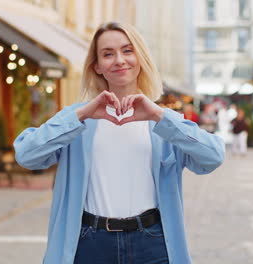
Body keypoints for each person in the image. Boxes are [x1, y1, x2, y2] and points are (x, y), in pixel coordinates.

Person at [13, 22, 225, 264]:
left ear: (140, 58)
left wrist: (159, 116)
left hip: (152, 243)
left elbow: (213, 156)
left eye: (127, 50)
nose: (119, 60)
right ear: (97, 67)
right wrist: (80, 115)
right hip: (90, 244)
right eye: (107, 54)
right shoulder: (77, 119)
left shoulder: (164, 122)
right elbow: (26, 155)